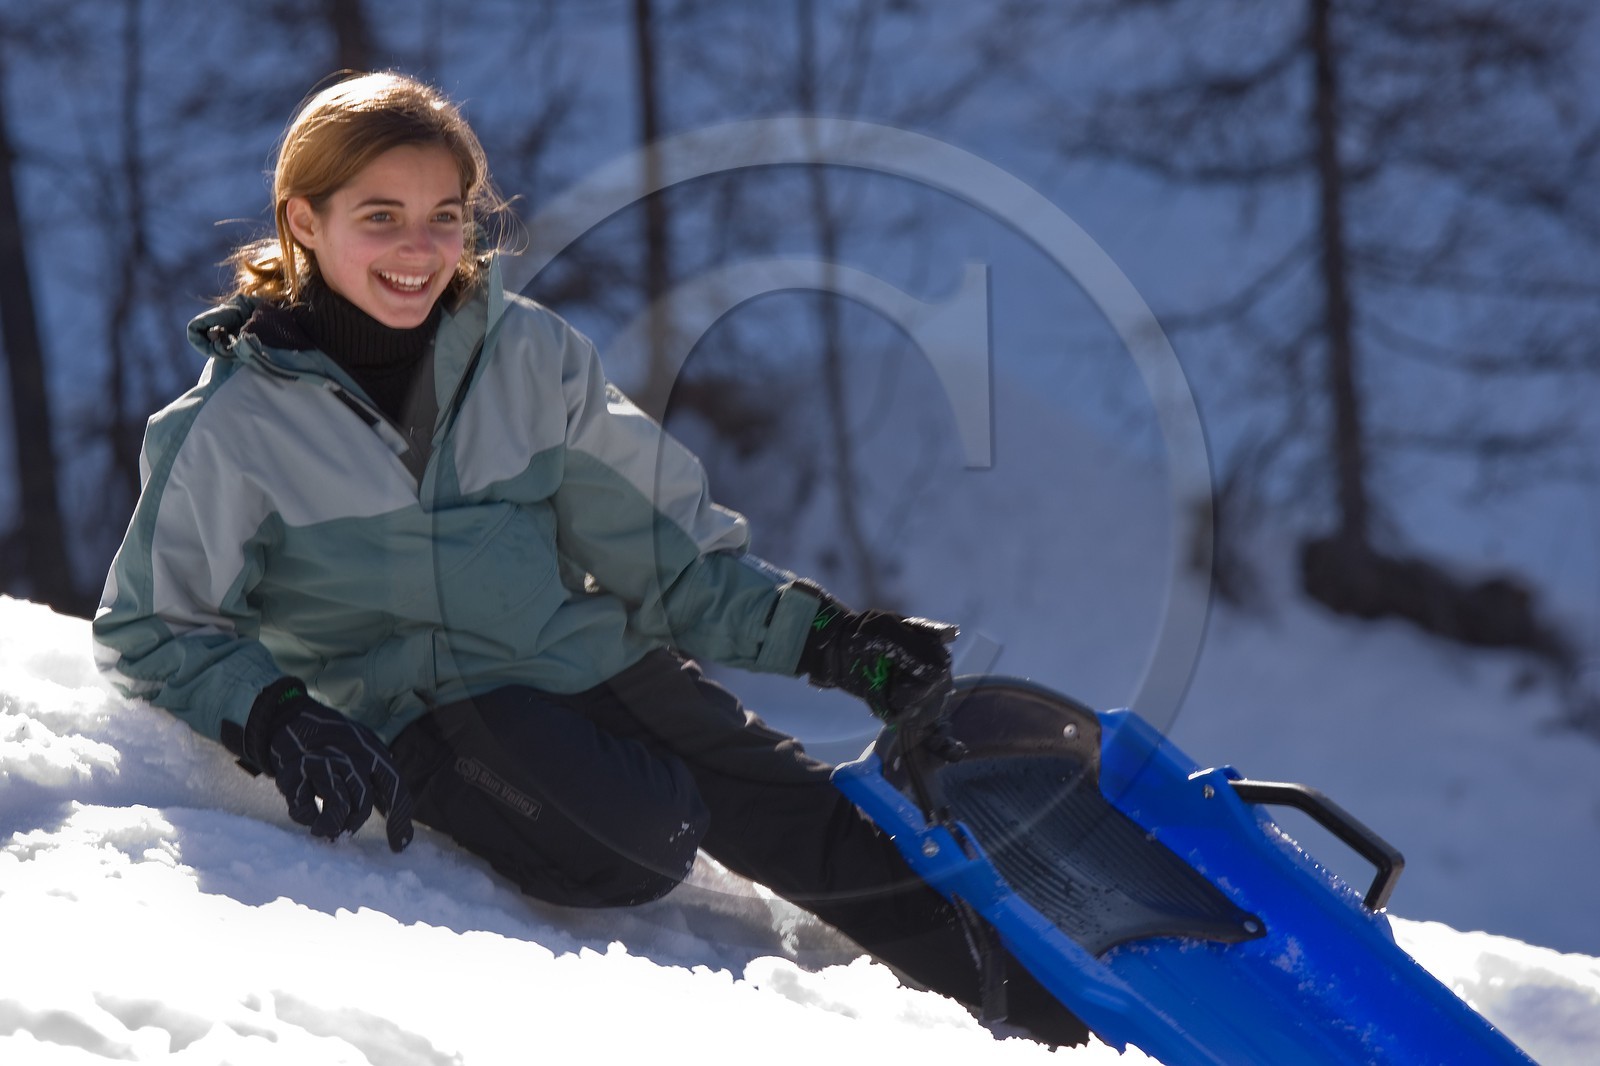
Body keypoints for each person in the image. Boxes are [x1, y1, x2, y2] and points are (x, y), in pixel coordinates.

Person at [92, 71, 1086, 1046]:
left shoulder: (526, 357)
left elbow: (663, 555)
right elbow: (152, 623)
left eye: (446, 215)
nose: (419, 249)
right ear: (305, 222)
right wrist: (278, 716)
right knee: (641, 834)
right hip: (435, 710)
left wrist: (835, 644)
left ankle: (1060, 1011)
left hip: (590, 663)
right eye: (381, 216)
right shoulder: (230, 426)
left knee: (809, 823)